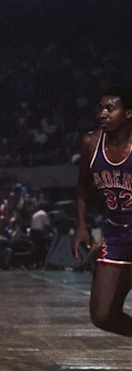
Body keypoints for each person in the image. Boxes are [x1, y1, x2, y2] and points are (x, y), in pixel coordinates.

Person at [72, 85, 132, 337]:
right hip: (116, 235)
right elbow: (84, 187)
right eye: (101, 108)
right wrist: (81, 226)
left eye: (110, 108)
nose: (103, 114)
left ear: (128, 113)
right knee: (102, 315)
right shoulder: (91, 143)